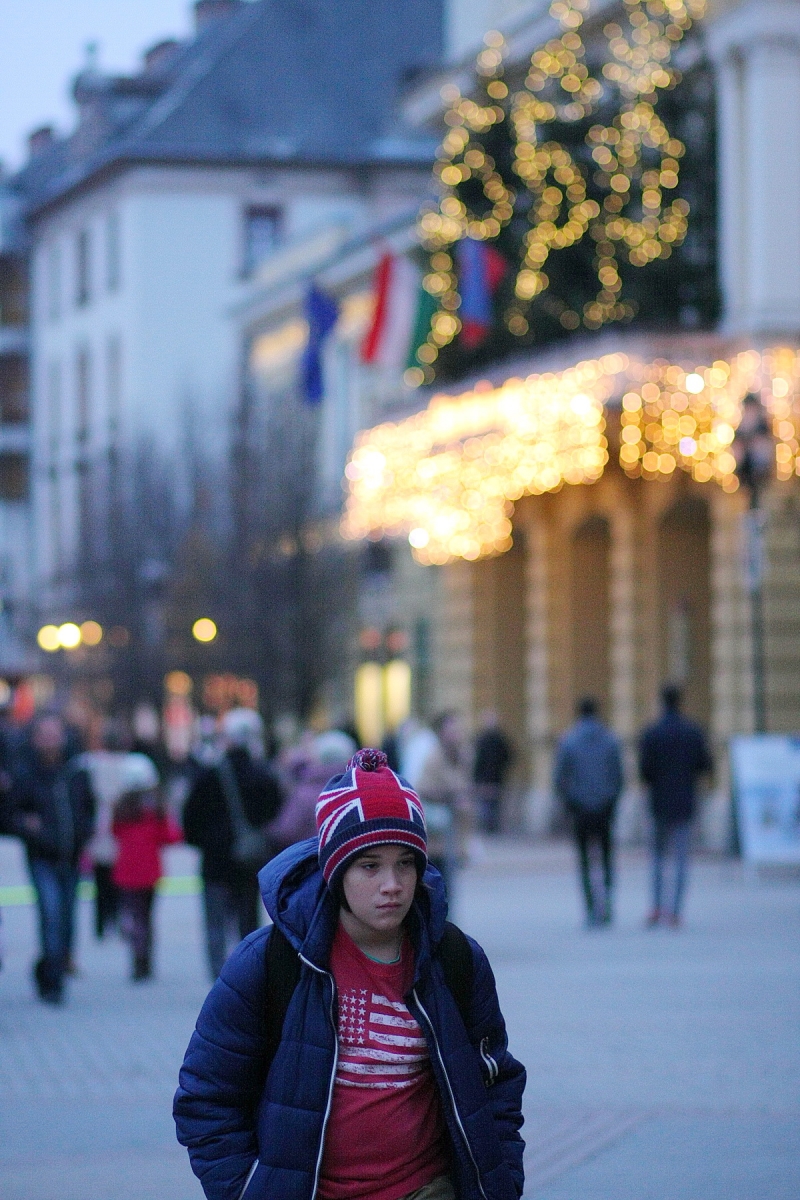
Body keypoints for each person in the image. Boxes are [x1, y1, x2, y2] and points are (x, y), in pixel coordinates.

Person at [174, 747, 526, 1200]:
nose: (392, 885)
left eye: (405, 863)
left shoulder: (453, 957)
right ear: (334, 871)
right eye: (369, 865)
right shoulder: (272, 961)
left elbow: (495, 1080)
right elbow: (206, 1098)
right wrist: (248, 1190)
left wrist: (500, 1181)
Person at [183, 708, 283, 979]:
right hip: (248, 861)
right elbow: (275, 814)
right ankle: (247, 976)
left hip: (215, 861)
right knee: (247, 921)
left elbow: (190, 820)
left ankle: (218, 977)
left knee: (215, 923)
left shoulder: (208, 777)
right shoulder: (263, 776)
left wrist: (204, 841)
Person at [9, 713, 95, 1003]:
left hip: (71, 856)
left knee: (67, 918)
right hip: (42, 857)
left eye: (54, 733)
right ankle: (52, 979)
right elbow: (10, 814)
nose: (49, 740)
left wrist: (85, 833)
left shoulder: (75, 770)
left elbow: (88, 807)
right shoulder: (25, 772)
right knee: (51, 913)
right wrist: (29, 827)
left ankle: (52, 967)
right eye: (44, 734)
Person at [639, 684, 713, 928]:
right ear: (680, 702)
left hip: (659, 801)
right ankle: (676, 911)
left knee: (658, 857)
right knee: (681, 858)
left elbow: (644, 771)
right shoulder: (692, 731)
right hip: (684, 800)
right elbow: (705, 764)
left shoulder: (651, 732)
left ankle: (657, 906)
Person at [554, 697, 624, 927]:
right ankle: (608, 904)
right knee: (605, 858)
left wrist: (568, 804)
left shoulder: (569, 741)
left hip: (579, 809)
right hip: (604, 808)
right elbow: (619, 776)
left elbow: (559, 778)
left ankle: (590, 907)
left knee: (584, 860)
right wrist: (611, 801)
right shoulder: (610, 740)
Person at [112, 753, 182, 980]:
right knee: (147, 916)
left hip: (126, 871)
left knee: (133, 915)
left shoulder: (120, 809)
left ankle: (136, 956)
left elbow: (114, 833)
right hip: (150, 872)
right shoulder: (155, 809)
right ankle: (146, 959)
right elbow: (171, 836)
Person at [80, 718, 134, 939]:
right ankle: (118, 921)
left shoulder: (90, 763)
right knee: (120, 881)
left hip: (103, 825)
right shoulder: (134, 765)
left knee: (101, 880)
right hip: (119, 826)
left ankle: (102, 923)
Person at [417, 712, 476, 896]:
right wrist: (451, 797)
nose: (457, 733)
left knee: (450, 887)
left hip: (455, 833)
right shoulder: (434, 758)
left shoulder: (462, 757)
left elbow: (465, 785)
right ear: (441, 733)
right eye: (452, 729)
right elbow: (423, 788)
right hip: (437, 833)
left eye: (458, 729)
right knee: (439, 886)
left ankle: (445, 921)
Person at [267, 729, 355, 851]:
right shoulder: (356, 790)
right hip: (348, 860)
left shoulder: (304, 793)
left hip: (312, 860)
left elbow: (286, 832)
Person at [473, 710, 514, 834]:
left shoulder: (499, 739)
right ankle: (488, 825)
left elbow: (508, 755)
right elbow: (477, 759)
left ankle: (492, 826)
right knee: (486, 803)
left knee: (495, 803)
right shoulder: (481, 739)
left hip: (496, 776)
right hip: (485, 777)